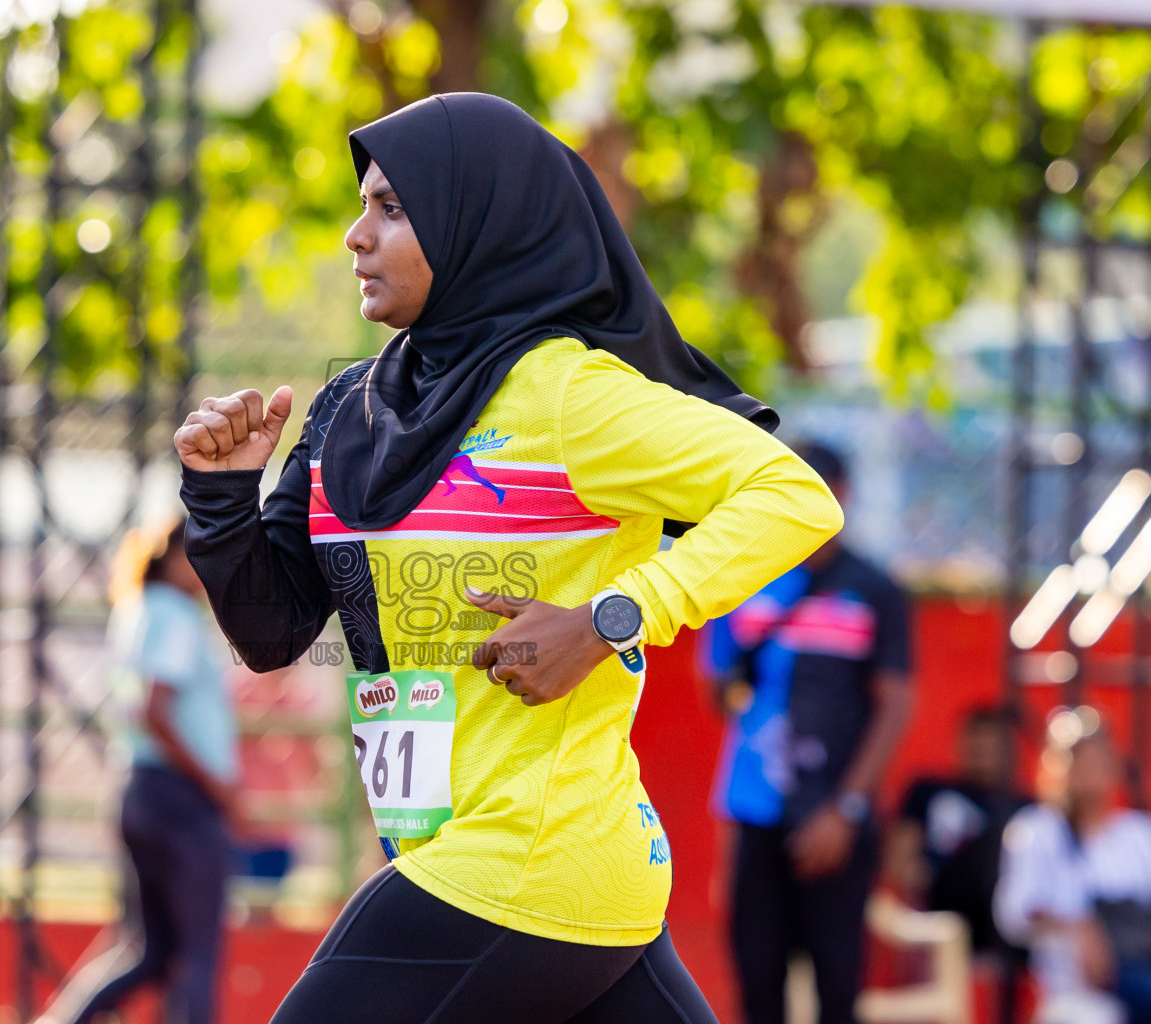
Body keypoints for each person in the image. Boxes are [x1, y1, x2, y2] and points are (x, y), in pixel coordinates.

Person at [173, 92, 843, 1024]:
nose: (354, 236)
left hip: (529, 857)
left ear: (480, 225)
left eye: (394, 210)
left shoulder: (568, 397)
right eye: (362, 205)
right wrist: (220, 496)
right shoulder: (345, 415)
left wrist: (615, 618)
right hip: (528, 873)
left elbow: (791, 496)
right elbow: (272, 633)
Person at [698, 442, 912, 1024]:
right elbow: (720, 687)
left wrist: (845, 808)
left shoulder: (874, 589)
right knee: (757, 986)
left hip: (837, 819)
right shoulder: (742, 578)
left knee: (837, 990)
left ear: (842, 497)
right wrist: (749, 703)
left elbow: (895, 707)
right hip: (753, 809)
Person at [37, 519, 241, 1024]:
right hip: (182, 797)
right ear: (174, 557)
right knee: (198, 954)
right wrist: (215, 782)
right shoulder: (173, 614)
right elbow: (155, 708)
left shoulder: (136, 609)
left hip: (140, 790)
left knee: (146, 950)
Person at [995, 708, 1151, 1024]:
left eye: (1097, 757)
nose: (1089, 768)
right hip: (1077, 982)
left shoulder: (1137, 833)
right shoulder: (1036, 830)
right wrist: (1080, 929)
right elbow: (1015, 912)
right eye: (1078, 758)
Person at [886, 707, 1029, 958]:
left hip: (1006, 919)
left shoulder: (1027, 808)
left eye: (991, 743)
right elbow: (897, 866)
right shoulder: (928, 791)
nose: (982, 751)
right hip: (942, 910)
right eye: (975, 740)